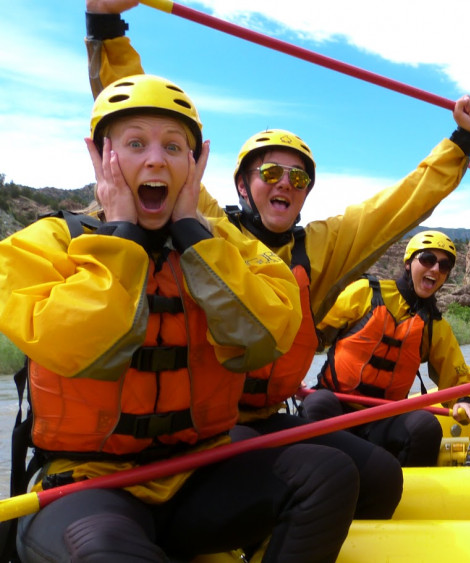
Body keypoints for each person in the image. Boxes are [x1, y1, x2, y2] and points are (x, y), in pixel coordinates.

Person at [85, 0, 470, 518]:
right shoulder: (202, 221)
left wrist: (460, 140)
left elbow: (401, 204)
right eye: (270, 173)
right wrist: (107, 28)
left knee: (381, 477)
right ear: (241, 184)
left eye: (298, 178)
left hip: (267, 414)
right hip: (206, 423)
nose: (284, 184)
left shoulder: (321, 247)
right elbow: (140, 130)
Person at [0, 74, 358, 562]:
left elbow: (264, 339)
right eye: (135, 143)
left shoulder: (227, 247)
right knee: (105, 551)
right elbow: (84, 348)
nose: (154, 159)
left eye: (173, 147)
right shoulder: (41, 246)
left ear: (195, 163)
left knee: (327, 474)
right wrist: (123, 238)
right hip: (88, 484)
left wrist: (195, 238)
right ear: (99, 155)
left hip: (199, 473)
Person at [300, 231, 470, 466]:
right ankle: (321, 475)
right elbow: (311, 336)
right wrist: (289, 375)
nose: (435, 269)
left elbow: (456, 375)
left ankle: (403, 488)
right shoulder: (364, 292)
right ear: (408, 263)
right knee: (317, 404)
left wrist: (465, 400)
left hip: (383, 419)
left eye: (444, 265)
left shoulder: (434, 326)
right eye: (427, 259)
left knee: (425, 427)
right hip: (337, 407)